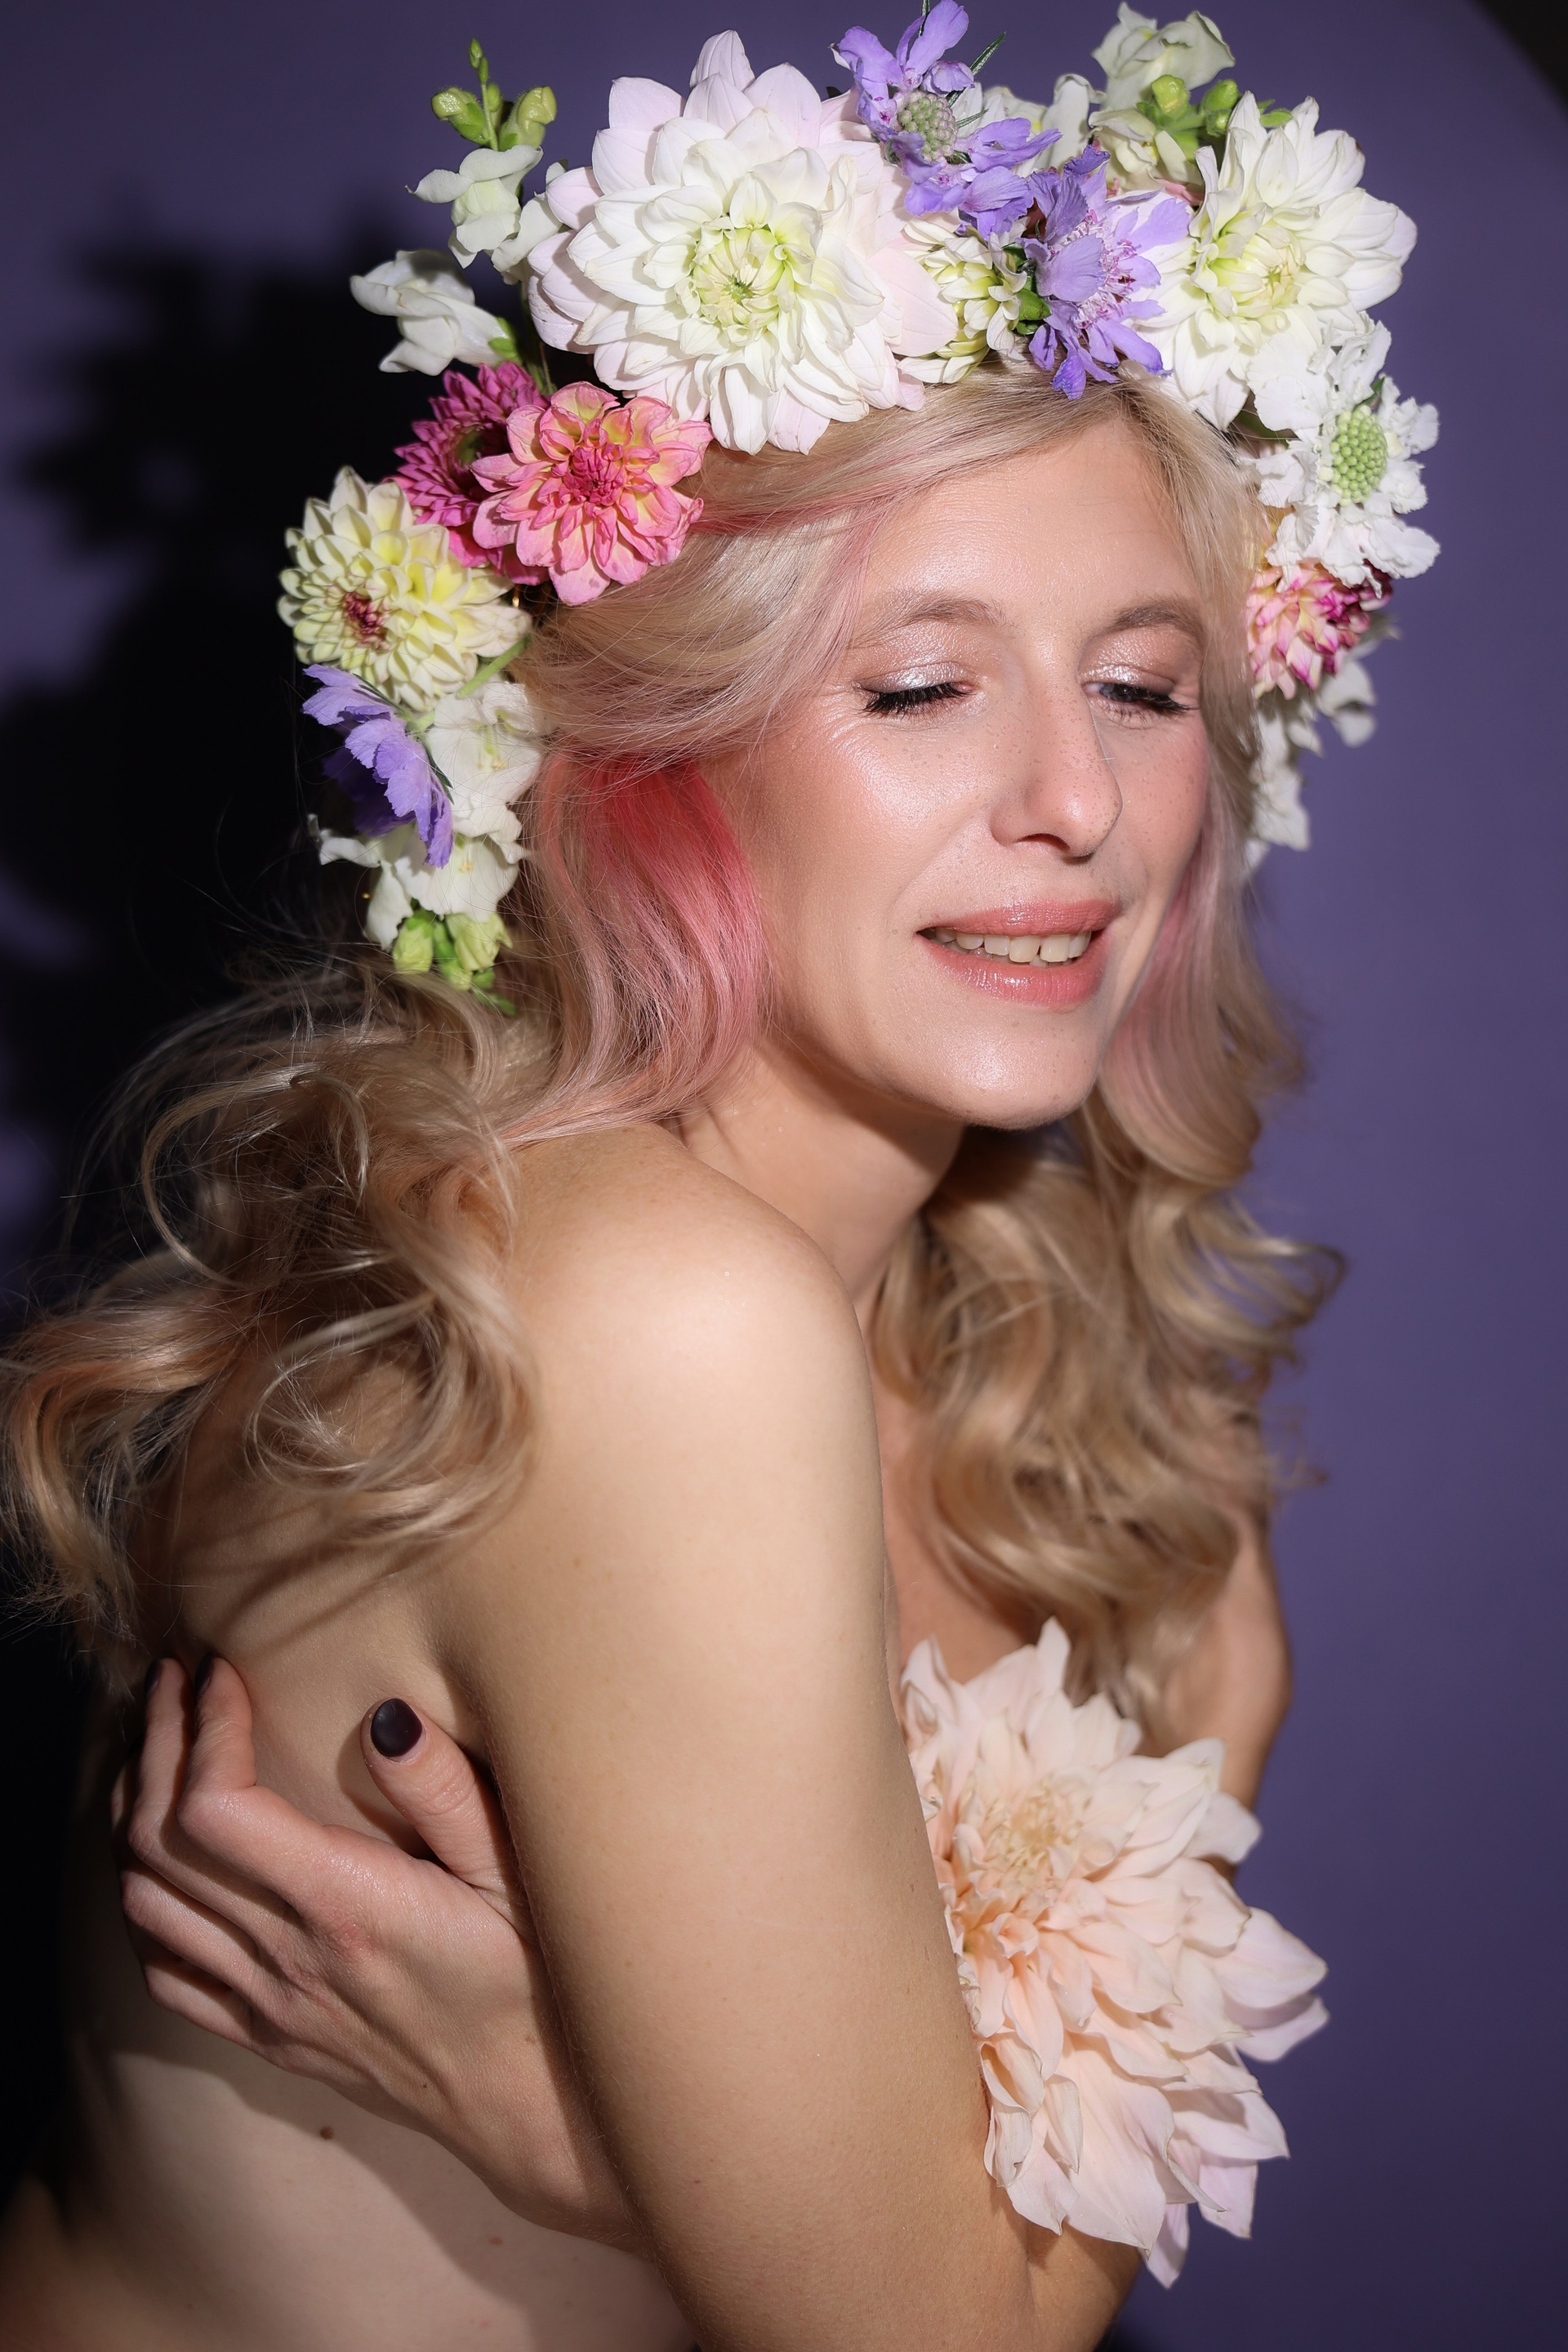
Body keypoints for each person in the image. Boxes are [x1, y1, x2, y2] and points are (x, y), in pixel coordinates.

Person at [0, 13, 1432, 2347]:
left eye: (1144, 685)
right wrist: (1228, 1735)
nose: (1080, 801)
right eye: (922, 686)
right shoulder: (659, 1312)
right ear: (655, 750)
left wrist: (621, 2150)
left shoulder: (953, 1299)